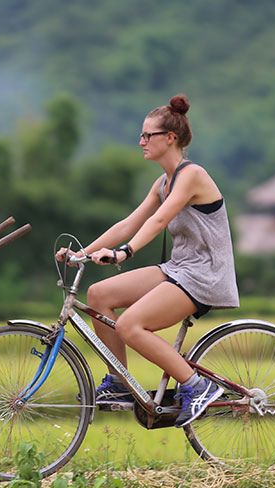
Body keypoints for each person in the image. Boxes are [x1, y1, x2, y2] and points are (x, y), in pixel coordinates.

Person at [55, 94, 239, 427]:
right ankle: (120, 384)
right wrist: (82, 254)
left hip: (204, 275)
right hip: (179, 269)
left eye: (147, 135)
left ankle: (197, 386)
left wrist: (124, 252)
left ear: (170, 138)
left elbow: (157, 222)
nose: (140, 141)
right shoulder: (163, 182)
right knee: (99, 296)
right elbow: (129, 223)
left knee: (129, 325)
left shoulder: (192, 175)